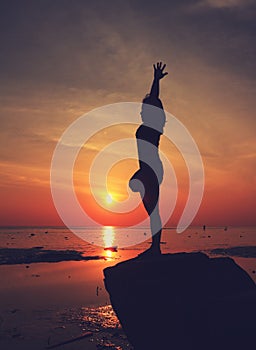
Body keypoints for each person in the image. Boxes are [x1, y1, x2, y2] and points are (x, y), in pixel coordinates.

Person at [129, 62, 168, 256]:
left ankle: (155, 248)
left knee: (153, 211)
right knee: (149, 209)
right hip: (146, 169)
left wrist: (155, 80)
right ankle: (155, 246)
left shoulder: (153, 126)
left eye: (145, 109)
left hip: (151, 169)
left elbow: (154, 98)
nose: (142, 112)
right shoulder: (147, 126)